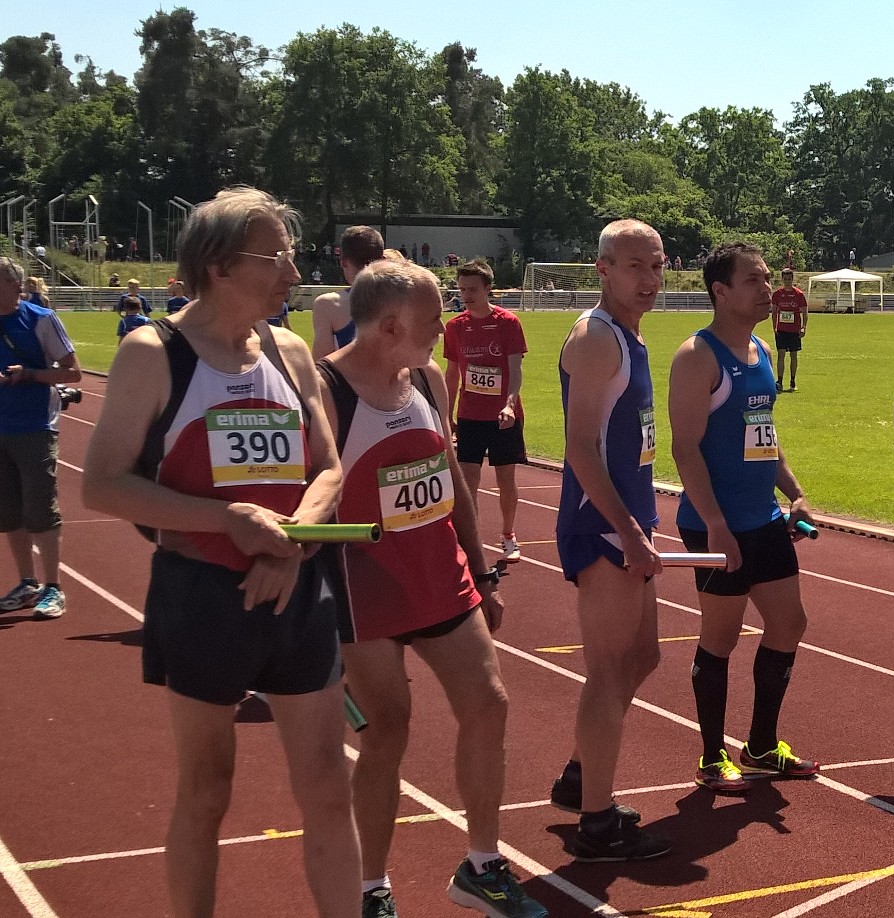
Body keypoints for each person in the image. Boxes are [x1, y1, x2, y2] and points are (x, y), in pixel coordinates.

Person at [80, 187, 361, 916]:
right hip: (202, 596)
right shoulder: (154, 354)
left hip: (296, 591)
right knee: (206, 791)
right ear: (219, 265)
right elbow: (102, 485)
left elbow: (329, 468)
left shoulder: (289, 351)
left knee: (328, 787)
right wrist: (227, 520)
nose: (292, 273)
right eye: (276, 258)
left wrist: (289, 546)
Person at [315, 260, 546, 918]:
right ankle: (371, 888)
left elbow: (450, 481)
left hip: (441, 573)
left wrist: (481, 570)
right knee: (387, 731)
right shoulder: (326, 391)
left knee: (489, 704)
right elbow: (305, 503)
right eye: (432, 319)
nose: (445, 329)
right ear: (391, 325)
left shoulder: (425, 379)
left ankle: (482, 865)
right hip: (364, 587)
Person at [670, 242, 820, 793]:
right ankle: (712, 756)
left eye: (766, 278)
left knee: (789, 623)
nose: (766, 289)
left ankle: (759, 745)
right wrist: (715, 524)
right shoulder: (697, 357)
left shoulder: (759, 350)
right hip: (715, 523)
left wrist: (795, 493)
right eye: (753, 280)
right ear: (721, 291)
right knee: (722, 635)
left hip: (763, 517)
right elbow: (685, 448)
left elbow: (765, 438)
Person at [549, 219, 671, 861]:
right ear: (602, 269)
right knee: (607, 668)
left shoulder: (631, 335)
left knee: (641, 657)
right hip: (601, 525)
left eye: (657, 265)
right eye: (634, 266)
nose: (649, 279)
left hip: (629, 521)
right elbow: (579, 449)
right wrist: (627, 531)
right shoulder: (597, 339)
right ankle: (596, 823)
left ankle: (579, 774)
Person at [0, 256, 79, 621]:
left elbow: (73, 372)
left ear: (15, 286)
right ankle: (26, 583)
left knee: (41, 510)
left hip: (34, 427)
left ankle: (53, 587)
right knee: (8, 512)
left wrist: (29, 374)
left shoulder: (40, 319)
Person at [444, 260, 527, 563]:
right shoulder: (455, 327)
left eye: (472, 290)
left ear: (488, 289)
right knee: (469, 482)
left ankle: (508, 534)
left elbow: (515, 369)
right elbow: (452, 373)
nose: (466, 296)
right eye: (462, 289)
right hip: (470, 415)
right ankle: (472, 539)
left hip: (503, 416)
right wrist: (447, 414)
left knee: (505, 478)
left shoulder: (508, 323)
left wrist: (509, 403)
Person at [312, 225, 386, 359]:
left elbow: (321, 363)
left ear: (344, 262)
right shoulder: (405, 299)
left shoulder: (328, 305)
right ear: (383, 260)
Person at [770, 267, 807, 392]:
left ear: (792, 279)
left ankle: (792, 381)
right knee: (781, 354)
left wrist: (803, 327)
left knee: (793, 355)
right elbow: (774, 312)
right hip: (781, 330)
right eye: (785, 279)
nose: (787, 281)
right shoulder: (777, 294)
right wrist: (774, 327)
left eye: (789, 279)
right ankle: (779, 382)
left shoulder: (799, 294)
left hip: (794, 330)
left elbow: (804, 313)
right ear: (782, 279)